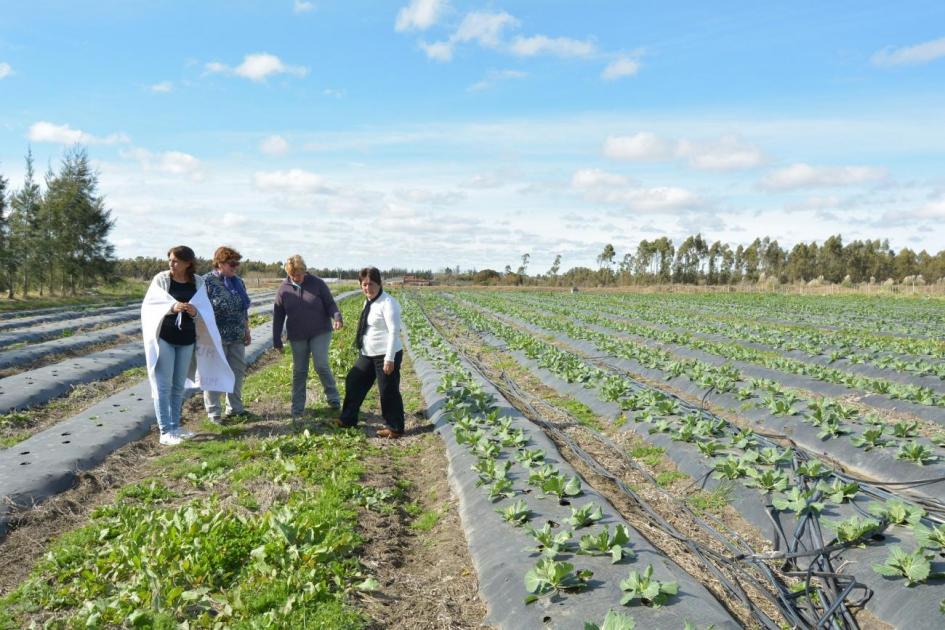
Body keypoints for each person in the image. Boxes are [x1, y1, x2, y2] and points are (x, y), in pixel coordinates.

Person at [141, 246, 234, 445]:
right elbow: (151, 306)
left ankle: (175, 427)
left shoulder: (198, 281)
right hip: (165, 337)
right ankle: (165, 431)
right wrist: (172, 307)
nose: (171, 264)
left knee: (178, 386)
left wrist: (193, 312)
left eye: (175, 260)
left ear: (187, 263)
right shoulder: (161, 279)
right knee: (163, 386)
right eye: (170, 260)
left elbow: (204, 310)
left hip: (186, 339)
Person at [272, 255, 343, 418]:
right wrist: (276, 339)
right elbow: (278, 316)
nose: (296, 278)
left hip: (320, 331)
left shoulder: (317, 283)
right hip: (297, 335)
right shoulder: (283, 289)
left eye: (298, 274)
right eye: (292, 275)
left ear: (304, 270)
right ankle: (297, 408)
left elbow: (330, 303)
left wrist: (337, 317)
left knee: (321, 364)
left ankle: (333, 400)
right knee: (299, 370)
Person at [339, 267, 405, 438]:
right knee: (354, 381)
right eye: (364, 284)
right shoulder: (368, 302)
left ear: (379, 283)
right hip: (368, 353)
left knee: (387, 391)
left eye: (371, 284)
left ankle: (395, 427)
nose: (368, 288)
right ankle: (348, 419)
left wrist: (389, 359)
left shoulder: (388, 303)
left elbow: (393, 332)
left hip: (386, 354)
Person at [202, 246, 252, 423]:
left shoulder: (238, 282)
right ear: (220, 263)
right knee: (214, 374)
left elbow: (243, 309)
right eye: (232, 264)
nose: (235, 267)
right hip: (216, 337)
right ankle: (214, 413)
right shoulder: (206, 282)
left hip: (237, 335)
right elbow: (201, 311)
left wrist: (246, 329)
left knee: (236, 372)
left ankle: (235, 409)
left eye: (237, 264)